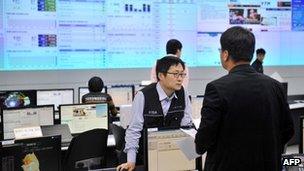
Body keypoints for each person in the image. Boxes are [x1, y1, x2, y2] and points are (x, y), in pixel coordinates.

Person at [195, 26, 294, 171]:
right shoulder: (275, 86)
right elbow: (288, 131)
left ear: (225, 54)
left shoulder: (216, 88)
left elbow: (203, 141)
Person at [117, 56, 192, 171]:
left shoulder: (183, 93)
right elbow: (134, 130)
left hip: (166, 153)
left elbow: (186, 127)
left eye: (182, 74)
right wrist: (131, 161)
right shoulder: (143, 95)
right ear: (161, 75)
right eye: (176, 74)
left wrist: (191, 158)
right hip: (142, 155)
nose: (180, 79)